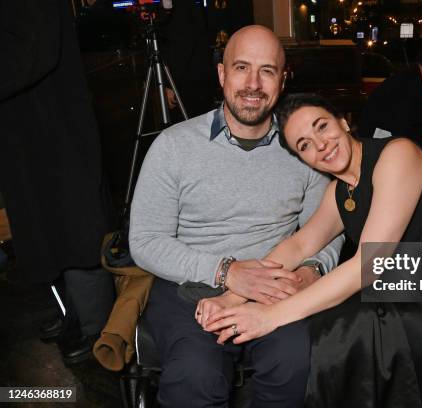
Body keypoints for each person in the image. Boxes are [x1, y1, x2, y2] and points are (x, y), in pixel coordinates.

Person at [205, 93, 422, 408]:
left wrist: (271, 315)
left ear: (343, 122)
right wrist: (235, 295)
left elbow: (369, 265)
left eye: (321, 126)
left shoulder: (398, 153)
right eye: (304, 145)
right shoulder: (340, 191)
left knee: (345, 335)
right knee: (339, 326)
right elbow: (300, 244)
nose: (320, 144)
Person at [129, 26, 343, 407]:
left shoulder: (303, 147)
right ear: (222, 74)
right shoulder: (173, 146)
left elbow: (324, 231)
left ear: (283, 79)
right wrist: (228, 272)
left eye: (267, 70)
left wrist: (308, 272)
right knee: (195, 376)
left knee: (298, 363)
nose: (253, 84)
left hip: (276, 289)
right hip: (188, 290)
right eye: (241, 67)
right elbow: (145, 241)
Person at [0, 0, 116, 364]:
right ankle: (73, 315)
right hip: (26, 132)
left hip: (54, 131)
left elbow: (35, 51)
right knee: (45, 232)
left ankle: (100, 330)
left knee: (75, 231)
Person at [358, 43, 422, 158]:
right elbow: (401, 134)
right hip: (378, 156)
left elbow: (404, 126)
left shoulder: (413, 82)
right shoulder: (407, 87)